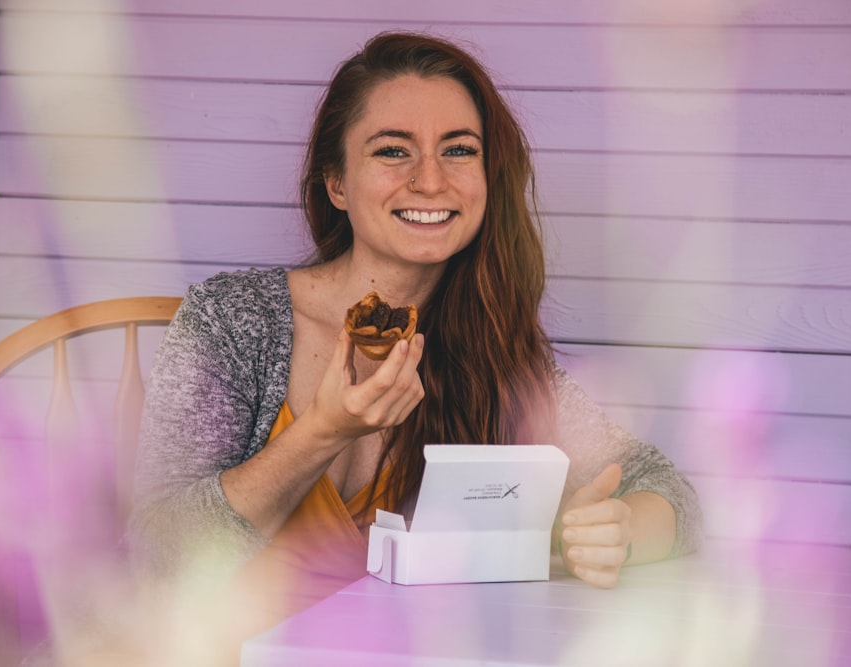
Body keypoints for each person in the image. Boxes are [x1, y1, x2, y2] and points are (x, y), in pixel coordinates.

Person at [128, 30, 702, 664]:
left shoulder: (493, 348)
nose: (430, 180)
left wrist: (619, 530)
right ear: (337, 184)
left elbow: (664, 489)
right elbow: (157, 554)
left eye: (458, 150)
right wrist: (322, 431)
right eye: (392, 150)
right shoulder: (235, 322)